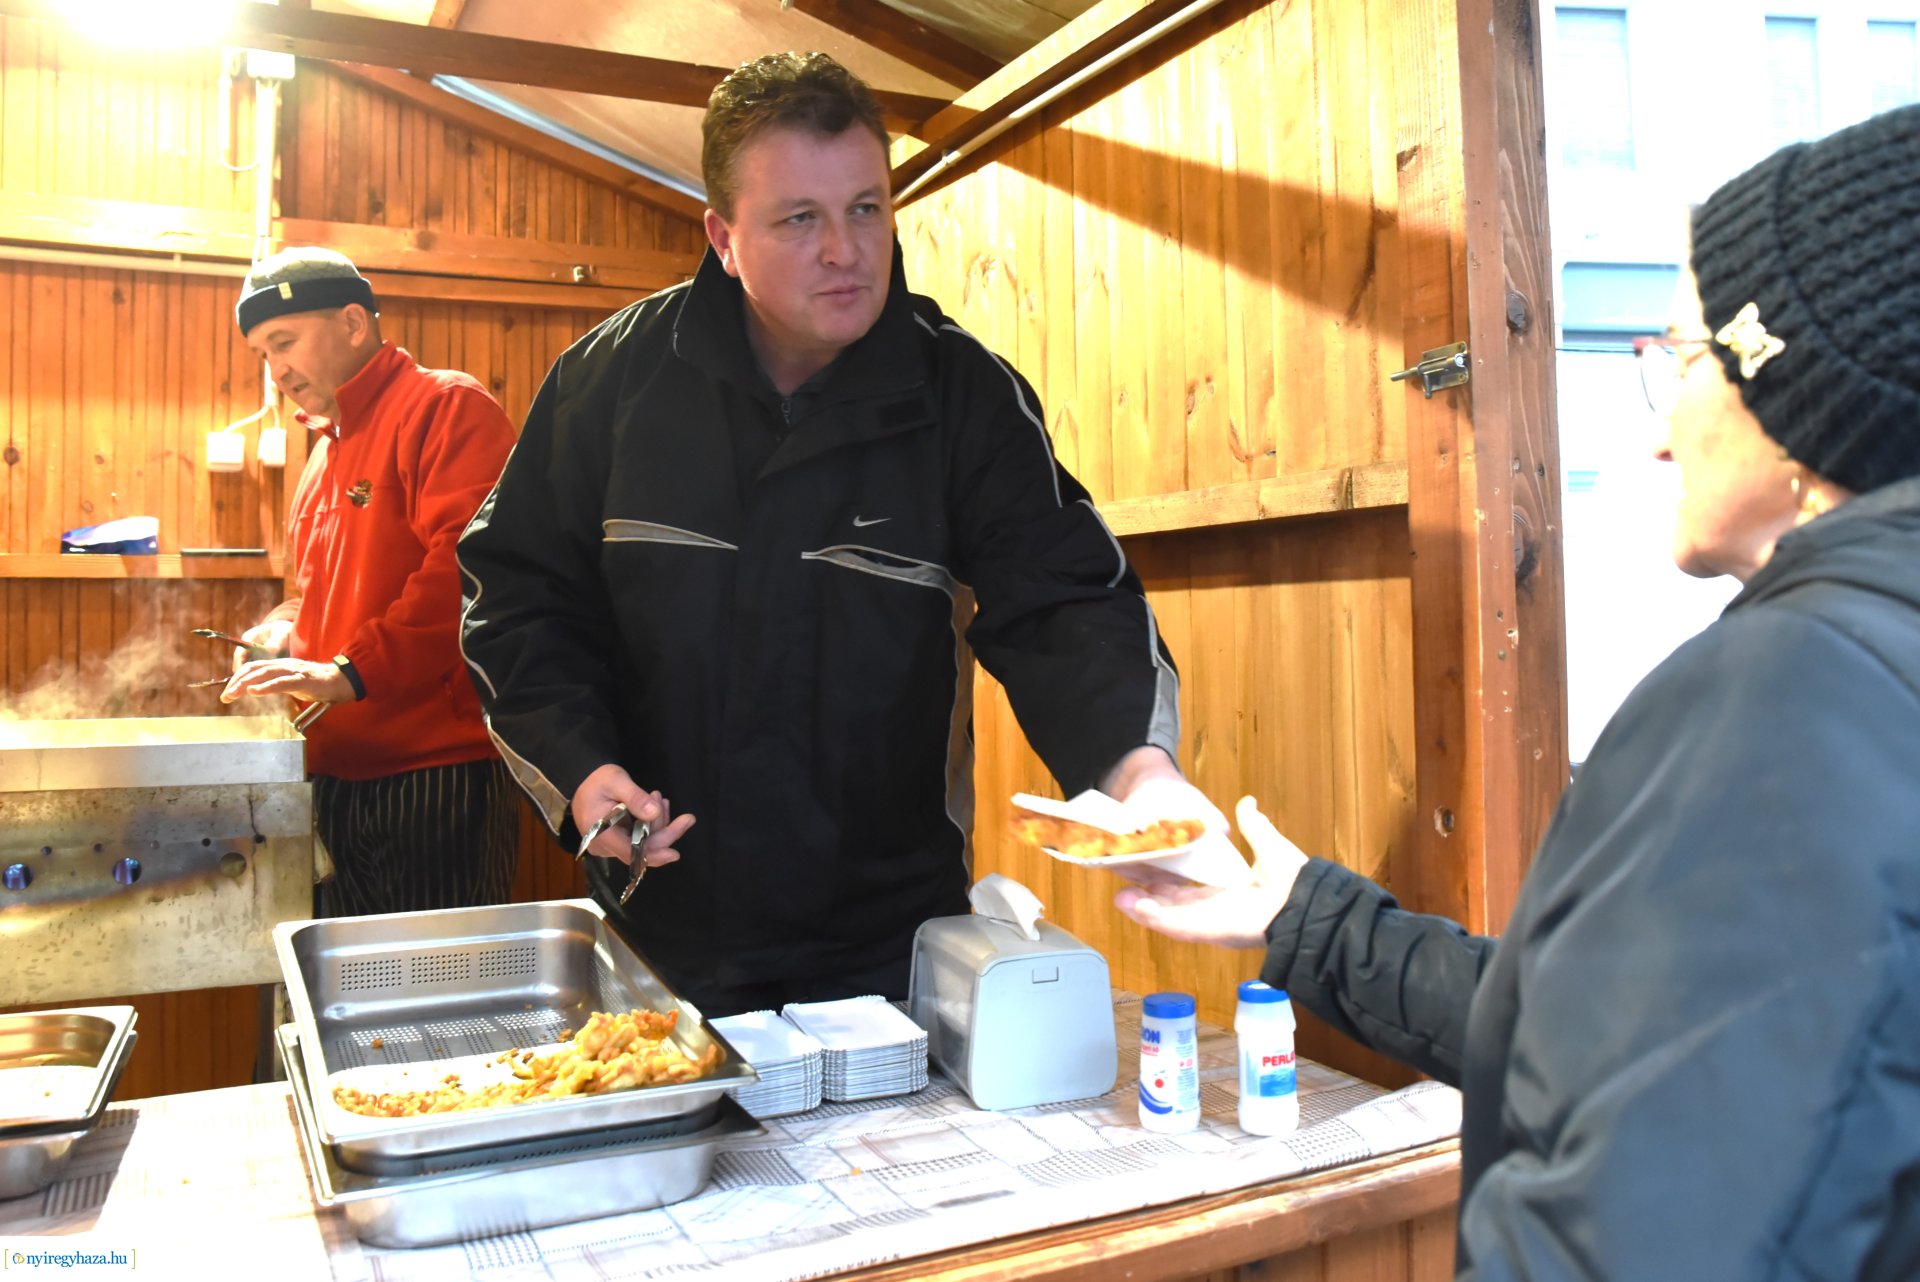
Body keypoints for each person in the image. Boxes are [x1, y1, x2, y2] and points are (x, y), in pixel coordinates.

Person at [1114, 105, 1920, 1279]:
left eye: (1683, 357)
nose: (1660, 433)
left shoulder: (1799, 694)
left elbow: (1644, 1228)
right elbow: (1625, 1028)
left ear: (1796, 395)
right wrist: (1307, 917)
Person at [456, 53, 1206, 1015]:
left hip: (888, 943)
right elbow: (517, 595)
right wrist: (580, 770)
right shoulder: (609, 384)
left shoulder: (965, 399)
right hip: (659, 922)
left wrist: (1140, 777)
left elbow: (1066, 601)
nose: (846, 250)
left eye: (866, 208)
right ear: (723, 237)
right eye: (799, 219)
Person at [224, 248, 521, 916]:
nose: (276, 372)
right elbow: (315, 594)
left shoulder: (444, 406)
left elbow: (469, 567)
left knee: (438, 976)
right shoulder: (322, 454)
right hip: (331, 771)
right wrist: (281, 632)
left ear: (354, 323)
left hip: (435, 770)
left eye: (284, 342)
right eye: (263, 354)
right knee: (343, 977)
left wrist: (351, 671)